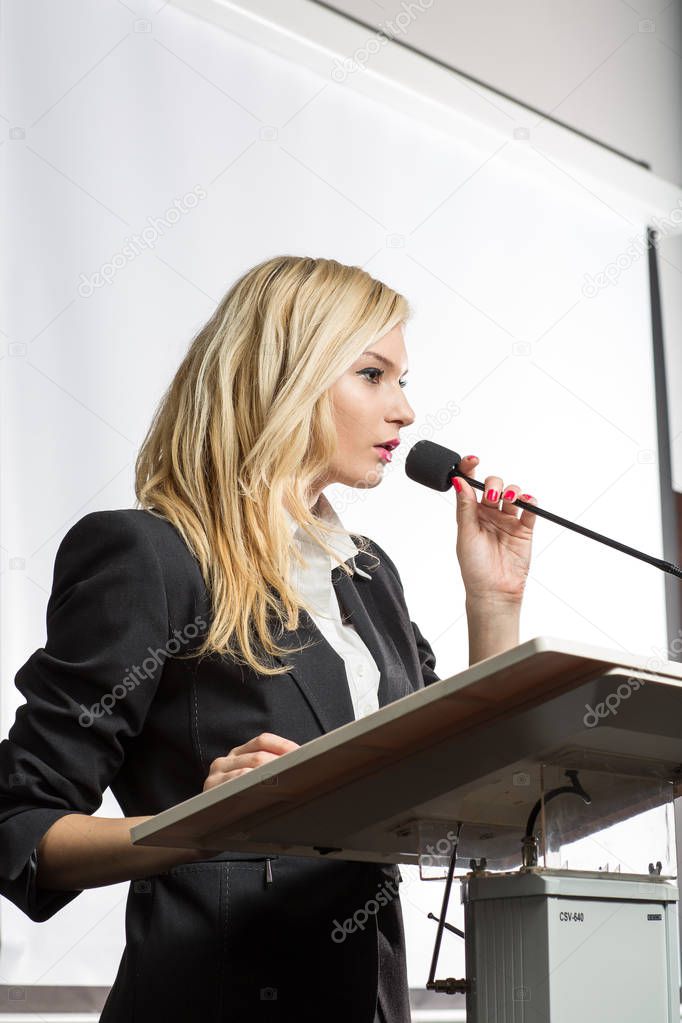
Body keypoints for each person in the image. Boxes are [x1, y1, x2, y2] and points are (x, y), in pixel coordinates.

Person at [0, 255, 538, 1022]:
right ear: (288, 375)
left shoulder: (368, 575)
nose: (405, 414)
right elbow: (19, 825)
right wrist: (196, 828)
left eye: (404, 381)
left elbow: (454, 784)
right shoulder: (149, 556)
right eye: (373, 375)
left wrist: (494, 601)